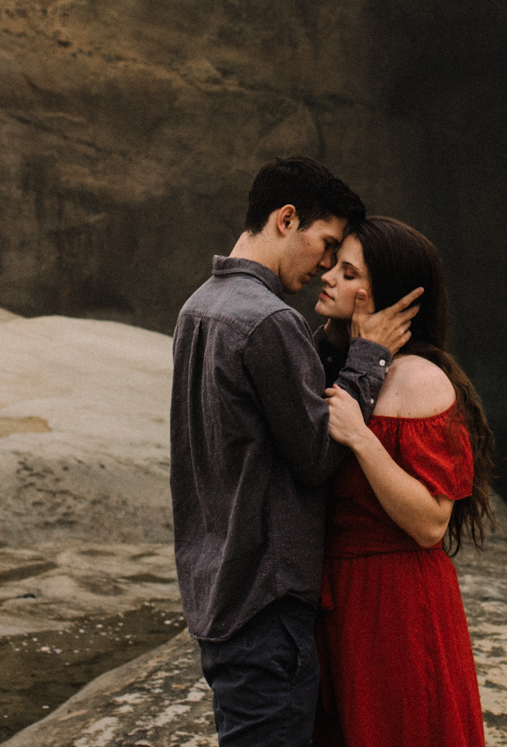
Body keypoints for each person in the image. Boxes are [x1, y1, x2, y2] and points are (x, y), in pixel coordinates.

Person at [171, 157, 423, 747]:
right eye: (326, 243)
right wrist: (368, 358)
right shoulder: (268, 322)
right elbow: (316, 453)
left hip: (216, 589)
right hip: (266, 601)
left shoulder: (198, 309)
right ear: (287, 220)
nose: (327, 265)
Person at [313, 215, 494, 747]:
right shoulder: (344, 363)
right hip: (340, 595)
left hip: (395, 601)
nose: (328, 276)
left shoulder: (419, 379)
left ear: (381, 295)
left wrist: (363, 440)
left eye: (348, 273)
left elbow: (431, 522)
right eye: (334, 265)